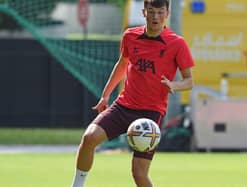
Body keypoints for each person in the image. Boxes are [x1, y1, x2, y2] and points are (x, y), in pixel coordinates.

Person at [71, 0, 194, 186]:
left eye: (160, 12)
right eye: (151, 12)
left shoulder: (177, 43)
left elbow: (189, 81)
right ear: (144, 12)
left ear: (167, 13)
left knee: (138, 173)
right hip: (123, 106)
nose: (156, 17)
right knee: (89, 138)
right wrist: (106, 95)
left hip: (150, 115)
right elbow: (122, 64)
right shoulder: (130, 36)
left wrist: (174, 85)